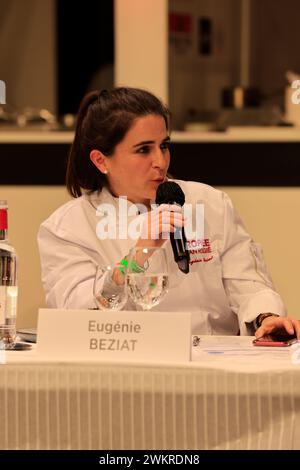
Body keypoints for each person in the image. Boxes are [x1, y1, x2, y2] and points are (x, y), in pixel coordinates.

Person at [38, 87, 300, 338]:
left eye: (164, 145)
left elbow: (249, 284)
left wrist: (266, 318)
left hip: (214, 362)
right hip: (125, 367)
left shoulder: (209, 203)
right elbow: (79, 317)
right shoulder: (67, 228)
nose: (160, 162)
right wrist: (140, 253)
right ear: (100, 160)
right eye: (143, 150)